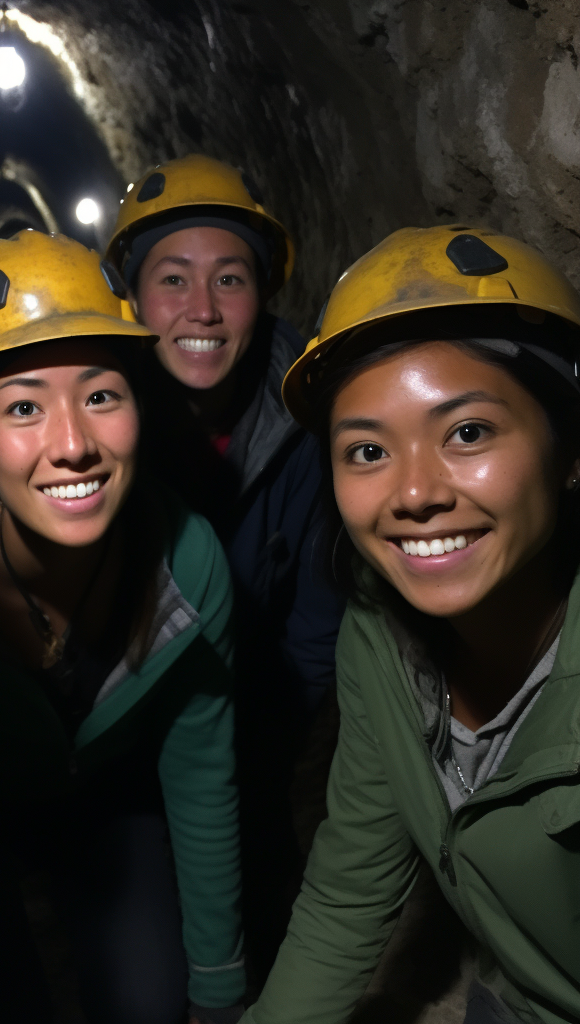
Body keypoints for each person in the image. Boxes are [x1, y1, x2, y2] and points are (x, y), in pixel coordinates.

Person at [244, 225, 580, 1024]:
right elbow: (350, 893)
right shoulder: (380, 629)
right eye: (366, 451)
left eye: (468, 433)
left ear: (570, 450)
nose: (416, 491)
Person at [0, 230, 245, 1024]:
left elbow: (202, 771)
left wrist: (220, 985)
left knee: (148, 1005)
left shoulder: (189, 565)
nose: (72, 446)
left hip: (104, 802)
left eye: (102, 396)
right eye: (24, 407)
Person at [106, 154, 346, 976]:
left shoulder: (308, 417)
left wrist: (269, 744)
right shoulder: (96, 415)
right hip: (125, 743)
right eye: (172, 279)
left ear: (264, 294)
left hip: (250, 727)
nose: (202, 309)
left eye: (230, 279)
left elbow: (317, 615)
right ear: (132, 299)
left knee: (260, 929)